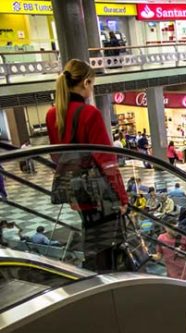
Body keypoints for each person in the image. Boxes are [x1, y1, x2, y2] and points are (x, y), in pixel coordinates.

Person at [46, 59, 128, 272]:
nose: (92, 89)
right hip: (98, 191)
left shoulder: (53, 114)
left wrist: (73, 193)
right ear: (86, 82)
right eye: (92, 85)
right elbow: (106, 159)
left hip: (76, 188)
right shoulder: (89, 113)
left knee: (91, 235)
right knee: (107, 242)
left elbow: (58, 157)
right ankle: (106, 281)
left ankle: (95, 277)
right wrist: (122, 196)